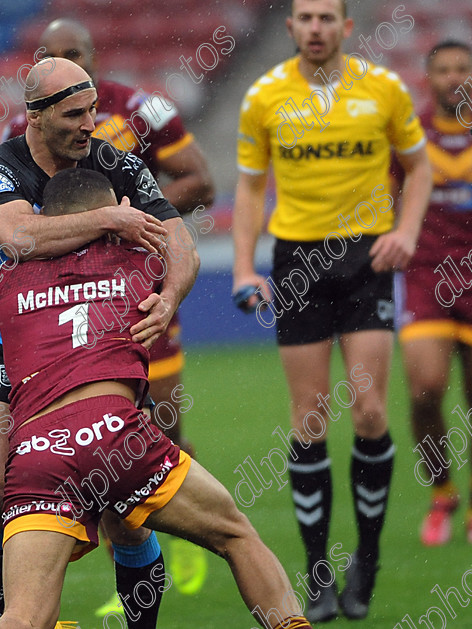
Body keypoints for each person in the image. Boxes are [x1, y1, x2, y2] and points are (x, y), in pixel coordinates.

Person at [0, 166, 313, 629]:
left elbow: (21, 238)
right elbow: (186, 254)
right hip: (116, 434)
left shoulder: (7, 278)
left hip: (38, 450)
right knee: (235, 535)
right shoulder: (143, 259)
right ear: (115, 213)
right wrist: (123, 219)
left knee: (23, 618)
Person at [0, 57, 199, 628]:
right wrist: (111, 219)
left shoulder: (118, 165)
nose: (90, 123)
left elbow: (181, 246)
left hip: (100, 355)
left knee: (126, 513)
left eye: (93, 109)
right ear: (35, 116)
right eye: (74, 114)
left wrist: (168, 300)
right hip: (17, 361)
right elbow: (18, 235)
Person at [231, 0, 432, 622]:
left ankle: (364, 559)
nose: (315, 28)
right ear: (290, 28)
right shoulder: (264, 97)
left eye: (327, 18)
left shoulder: (384, 90)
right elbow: (249, 184)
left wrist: (408, 231)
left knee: (370, 408)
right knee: (309, 418)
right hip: (298, 263)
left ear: (347, 28)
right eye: (305, 18)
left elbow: (420, 168)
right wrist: (243, 266)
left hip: (366, 258)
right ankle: (318, 574)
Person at [395, 41, 472, 546]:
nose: (453, 78)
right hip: (426, 277)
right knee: (425, 390)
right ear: (428, 78)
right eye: (442, 70)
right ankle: (443, 492)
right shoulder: (411, 137)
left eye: (462, 68)